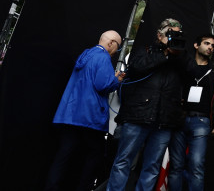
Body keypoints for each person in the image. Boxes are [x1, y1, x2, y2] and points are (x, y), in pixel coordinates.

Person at [108, 18, 187, 191]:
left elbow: (190, 75)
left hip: (164, 121)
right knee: (123, 161)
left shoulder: (180, 58)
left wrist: (176, 54)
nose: (174, 38)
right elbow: (136, 67)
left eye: (177, 34)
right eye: (170, 34)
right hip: (137, 116)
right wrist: (164, 54)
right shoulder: (144, 50)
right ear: (159, 36)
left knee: (152, 166)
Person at [45, 30, 124, 191]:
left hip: (70, 115)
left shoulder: (86, 54)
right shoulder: (103, 58)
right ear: (110, 44)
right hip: (89, 117)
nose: (117, 52)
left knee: (64, 155)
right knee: (95, 155)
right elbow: (103, 85)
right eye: (118, 47)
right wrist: (117, 79)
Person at [169, 34, 214, 191]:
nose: (210, 47)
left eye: (212, 45)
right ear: (196, 45)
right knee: (176, 166)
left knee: (196, 166)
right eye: (206, 43)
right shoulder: (184, 65)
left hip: (201, 121)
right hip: (179, 119)